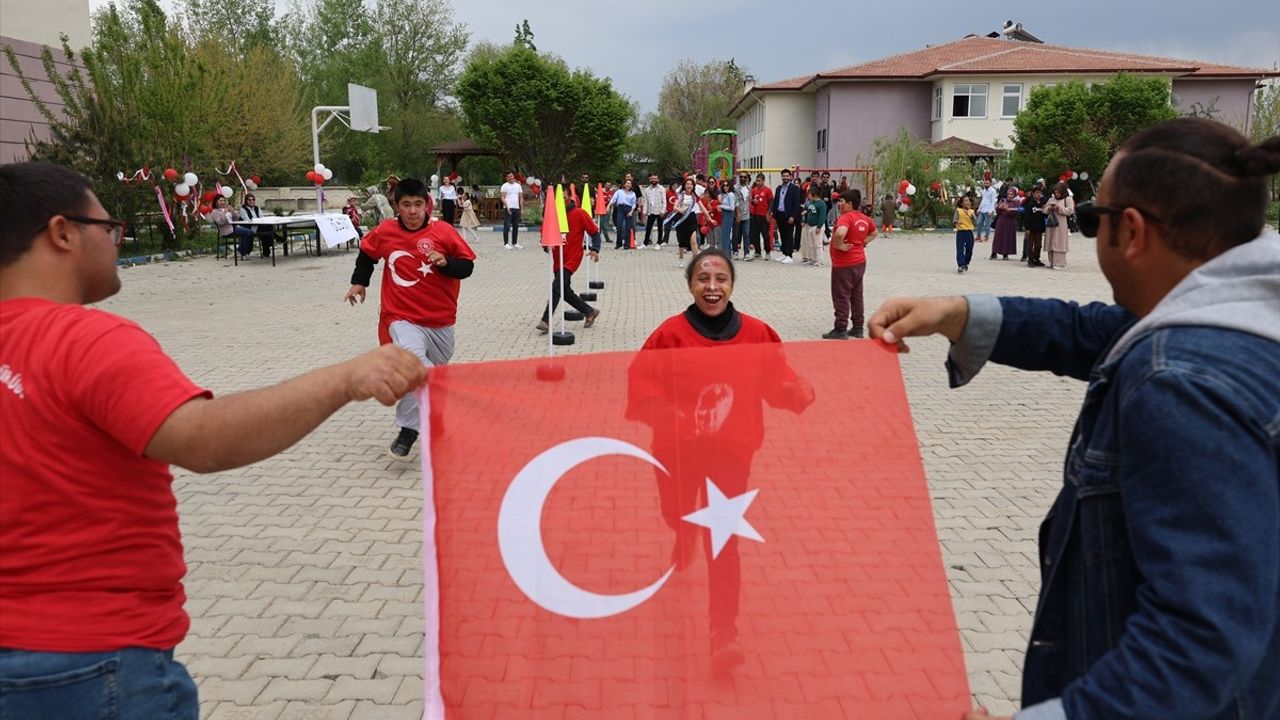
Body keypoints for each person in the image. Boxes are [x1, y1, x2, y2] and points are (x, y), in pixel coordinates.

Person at [868, 118, 1280, 720]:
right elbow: (1094, 330)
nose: (1091, 232)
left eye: (1093, 219)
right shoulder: (1243, 320)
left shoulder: (1181, 383)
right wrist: (956, 313)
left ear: (1131, 231)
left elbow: (1199, 641)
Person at [0, 161, 428, 720]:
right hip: (93, 663)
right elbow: (203, 440)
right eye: (108, 228)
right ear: (62, 233)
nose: (115, 240)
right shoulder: (85, 340)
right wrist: (346, 379)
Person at [625, 247, 814, 669]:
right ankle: (683, 529)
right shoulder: (669, 335)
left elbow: (777, 382)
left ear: (732, 284)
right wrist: (665, 415)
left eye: (721, 279)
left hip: (730, 454)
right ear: (690, 285)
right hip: (677, 450)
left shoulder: (757, 334)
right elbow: (641, 384)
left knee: (723, 538)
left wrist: (796, 393)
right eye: (703, 279)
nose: (712, 287)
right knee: (676, 511)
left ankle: (723, 632)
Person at [344, 178, 476, 460]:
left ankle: (435, 419)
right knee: (414, 369)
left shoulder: (443, 231)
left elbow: (467, 267)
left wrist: (446, 263)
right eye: (406, 205)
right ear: (396, 206)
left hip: (441, 320)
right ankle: (408, 430)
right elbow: (367, 253)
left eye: (418, 204)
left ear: (427, 204)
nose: (413, 211)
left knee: (431, 377)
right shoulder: (386, 230)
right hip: (401, 316)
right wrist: (359, 282)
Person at [536, 199, 601, 333]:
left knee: (556, 287)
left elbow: (595, 232)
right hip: (558, 259)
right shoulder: (552, 214)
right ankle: (590, 311)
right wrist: (546, 246)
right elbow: (544, 236)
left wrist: (595, 249)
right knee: (565, 292)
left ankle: (545, 320)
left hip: (572, 258)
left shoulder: (579, 213)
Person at [823, 189, 877, 340]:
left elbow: (840, 233)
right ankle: (858, 327)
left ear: (850, 204)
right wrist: (863, 242)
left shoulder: (846, 218)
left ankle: (840, 328)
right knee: (856, 295)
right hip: (859, 262)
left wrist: (839, 245)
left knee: (841, 295)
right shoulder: (864, 218)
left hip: (844, 264)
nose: (840, 204)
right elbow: (874, 232)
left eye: (842, 202)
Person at [665, 177, 702, 265]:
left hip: (692, 218)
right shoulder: (680, 195)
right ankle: (681, 258)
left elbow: (702, 207)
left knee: (693, 241)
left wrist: (709, 218)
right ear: (684, 185)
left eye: (691, 184)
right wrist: (681, 210)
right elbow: (675, 207)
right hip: (681, 219)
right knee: (682, 241)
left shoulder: (695, 196)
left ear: (693, 186)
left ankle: (695, 261)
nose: (689, 186)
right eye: (687, 184)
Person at [210, 195, 255, 260]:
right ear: (216, 202)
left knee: (250, 232)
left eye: (224, 200)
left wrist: (233, 212)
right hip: (226, 230)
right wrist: (224, 213)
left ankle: (244, 252)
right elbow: (220, 222)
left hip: (234, 227)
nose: (223, 202)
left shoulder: (227, 209)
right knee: (248, 232)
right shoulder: (215, 212)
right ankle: (242, 252)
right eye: (220, 201)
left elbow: (236, 219)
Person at [771, 169, 802, 264]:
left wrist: (793, 216)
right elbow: (775, 201)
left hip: (789, 215)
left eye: (787, 176)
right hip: (779, 214)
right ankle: (784, 253)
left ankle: (789, 255)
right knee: (782, 235)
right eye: (784, 176)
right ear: (781, 177)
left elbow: (796, 204)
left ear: (791, 177)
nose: (785, 178)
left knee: (789, 235)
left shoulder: (794, 188)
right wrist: (774, 214)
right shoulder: (779, 188)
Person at [1043, 181, 1074, 269]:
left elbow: (1070, 211)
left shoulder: (1068, 199)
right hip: (1051, 224)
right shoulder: (1051, 199)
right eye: (1055, 193)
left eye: (1058, 193)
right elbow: (1044, 210)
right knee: (1050, 242)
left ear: (1063, 191)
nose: (1057, 194)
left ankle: (1060, 263)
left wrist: (1059, 208)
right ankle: (1052, 262)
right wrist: (1049, 208)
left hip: (1061, 224)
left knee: (1060, 242)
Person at [237, 192, 273, 257]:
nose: (251, 201)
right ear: (246, 201)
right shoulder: (243, 209)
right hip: (248, 227)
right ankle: (275, 240)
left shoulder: (257, 208)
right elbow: (248, 220)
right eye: (249, 200)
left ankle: (266, 252)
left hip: (258, 226)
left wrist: (259, 221)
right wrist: (257, 221)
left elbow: (262, 217)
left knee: (268, 229)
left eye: (253, 199)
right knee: (267, 231)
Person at [991, 185, 1021, 260]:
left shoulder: (1016, 202)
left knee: (1007, 237)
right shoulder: (1003, 200)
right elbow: (998, 211)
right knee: (998, 237)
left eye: (1011, 194)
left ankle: (1005, 254)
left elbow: (1016, 213)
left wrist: (1007, 210)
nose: (1009, 196)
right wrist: (999, 207)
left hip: (1010, 222)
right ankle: (994, 253)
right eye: (1008, 194)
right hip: (1001, 221)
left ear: (1014, 195)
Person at [800, 185, 828, 266]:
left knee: (818, 244)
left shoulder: (821, 204)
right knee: (811, 244)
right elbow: (810, 210)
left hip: (817, 226)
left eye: (809, 194)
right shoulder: (812, 202)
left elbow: (822, 216)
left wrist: (819, 227)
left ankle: (819, 260)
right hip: (810, 225)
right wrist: (805, 213)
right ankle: (813, 259)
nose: (808, 196)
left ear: (814, 194)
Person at [748, 173, 772, 261]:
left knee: (765, 235)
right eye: (757, 181)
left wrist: (768, 213)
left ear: (763, 181)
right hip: (755, 215)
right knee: (755, 235)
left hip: (764, 215)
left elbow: (771, 202)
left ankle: (767, 252)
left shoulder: (768, 190)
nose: (758, 182)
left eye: (759, 181)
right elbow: (752, 201)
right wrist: (753, 201)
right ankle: (758, 252)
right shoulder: (754, 190)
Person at [608, 178, 638, 250]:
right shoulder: (619, 192)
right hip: (620, 209)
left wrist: (631, 212)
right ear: (624, 184)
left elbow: (634, 204)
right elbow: (613, 199)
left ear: (631, 185)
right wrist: (608, 206)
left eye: (630, 184)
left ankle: (626, 244)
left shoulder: (633, 194)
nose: (628, 185)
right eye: (627, 183)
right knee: (619, 226)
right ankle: (619, 243)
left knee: (628, 228)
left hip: (629, 209)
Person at [1022, 186, 1047, 267]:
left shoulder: (1043, 204)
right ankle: (1030, 260)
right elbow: (1026, 216)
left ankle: (1036, 259)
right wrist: (1027, 228)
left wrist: (1046, 209)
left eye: (1040, 193)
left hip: (1039, 228)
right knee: (1030, 245)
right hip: (1031, 228)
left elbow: (1046, 215)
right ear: (1033, 194)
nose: (1038, 194)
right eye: (1037, 193)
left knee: (1038, 245)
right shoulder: (1030, 204)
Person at [641, 174, 667, 248]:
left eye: (655, 179)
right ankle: (645, 243)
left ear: (658, 180)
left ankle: (659, 243)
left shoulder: (661, 189)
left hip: (659, 211)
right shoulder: (647, 190)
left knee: (660, 228)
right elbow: (646, 201)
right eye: (653, 178)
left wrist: (663, 211)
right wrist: (644, 212)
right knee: (648, 228)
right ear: (650, 179)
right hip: (651, 211)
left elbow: (664, 201)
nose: (654, 180)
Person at [500, 171, 524, 249]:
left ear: (513, 176)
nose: (510, 178)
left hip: (516, 208)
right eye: (508, 177)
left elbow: (521, 198)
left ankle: (515, 242)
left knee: (516, 226)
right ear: (506, 178)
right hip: (508, 208)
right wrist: (507, 207)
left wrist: (522, 209)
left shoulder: (518, 186)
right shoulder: (504, 186)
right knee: (507, 226)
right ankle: (506, 243)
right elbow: (502, 197)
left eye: (511, 176)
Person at [954, 195, 976, 273]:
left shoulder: (971, 211)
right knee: (960, 249)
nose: (968, 202)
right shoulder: (958, 210)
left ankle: (966, 262)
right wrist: (956, 223)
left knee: (969, 248)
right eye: (966, 200)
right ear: (961, 203)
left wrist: (971, 216)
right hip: (961, 232)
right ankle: (961, 264)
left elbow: (975, 220)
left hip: (969, 232)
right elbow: (955, 220)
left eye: (969, 201)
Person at [733, 172, 751, 258]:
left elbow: (748, 201)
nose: (743, 178)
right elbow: (735, 202)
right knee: (736, 234)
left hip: (746, 215)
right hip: (737, 215)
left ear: (747, 178)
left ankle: (746, 253)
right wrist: (737, 214)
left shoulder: (749, 188)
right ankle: (735, 251)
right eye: (741, 177)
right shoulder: (735, 188)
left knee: (746, 234)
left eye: (745, 177)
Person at [976, 177, 998, 243]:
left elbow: (993, 201)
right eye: (985, 183)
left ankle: (986, 237)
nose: (985, 184)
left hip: (988, 210)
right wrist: (979, 209)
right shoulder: (984, 191)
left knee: (988, 225)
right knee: (979, 223)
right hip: (982, 210)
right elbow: (983, 200)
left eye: (987, 183)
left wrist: (990, 210)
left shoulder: (993, 191)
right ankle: (978, 236)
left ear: (990, 183)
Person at [718, 178, 737, 254]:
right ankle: (727, 254)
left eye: (727, 185)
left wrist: (721, 206)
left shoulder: (730, 194)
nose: (725, 187)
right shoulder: (726, 194)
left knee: (725, 235)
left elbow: (732, 208)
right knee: (725, 235)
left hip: (728, 215)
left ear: (730, 186)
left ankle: (726, 253)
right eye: (724, 185)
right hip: (725, 215)